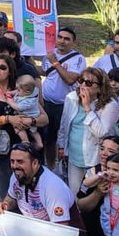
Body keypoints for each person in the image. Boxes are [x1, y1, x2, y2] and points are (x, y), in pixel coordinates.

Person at [0, 55, 46, 201]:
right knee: (4, 192)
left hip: (22, 150)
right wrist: (9, 119)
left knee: (28, 192)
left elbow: (44, 119)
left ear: (10, 71)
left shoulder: (22, 91)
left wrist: (30, 121)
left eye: (2, 67)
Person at [0, 143, 82, 236]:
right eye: (12, 161)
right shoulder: (17, 176)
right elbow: (12, 197)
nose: (15, 166)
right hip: (35, 233)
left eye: (20, 161)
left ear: (35, 163)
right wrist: (5, 204)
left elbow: (61, 230)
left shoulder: (52, 187)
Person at [56, 65, 119, 193]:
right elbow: (64, 125)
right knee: (74, 193)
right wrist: (61, 146)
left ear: (100, 87)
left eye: (89, 83)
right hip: (74, 156)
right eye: (81, 80)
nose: (83, 85)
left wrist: (87, 108)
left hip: (95, 159)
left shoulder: (110, 105)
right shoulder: (71, 98)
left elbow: (102, 133)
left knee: (92, 194)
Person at [41, 26, 86, 154]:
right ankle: (50, 167)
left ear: (73, 42)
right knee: (48, 139)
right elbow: (45, 72)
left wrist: (55, 62)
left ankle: (64, 167)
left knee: (64, 139)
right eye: (59, 37)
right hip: (46, 103)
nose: (62, 41)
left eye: (67, 39)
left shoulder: (78, 59)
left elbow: (70, 79)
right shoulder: (50, 54)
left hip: (65, 105)